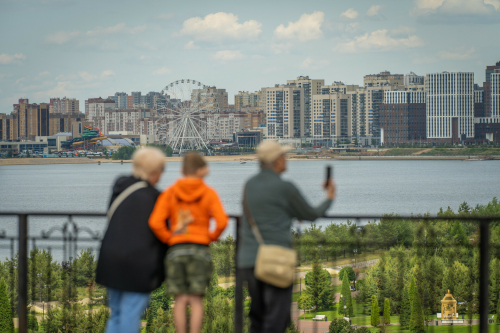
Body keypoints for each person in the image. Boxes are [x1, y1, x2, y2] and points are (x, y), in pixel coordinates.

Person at [237, 141, 336, 333]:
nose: (286, 159)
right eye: (283, 156)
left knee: (257, 318)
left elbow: (264, 212)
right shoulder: (285, 187)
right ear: (276, 161)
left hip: (248, 260)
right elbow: (311, 213)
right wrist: (329, 197)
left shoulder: (249, 185)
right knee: (277, 318)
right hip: (276, 260)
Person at [149, 152, 228, 333]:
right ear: (202, 170)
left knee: (181, 299)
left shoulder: (170, 192)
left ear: (182, 170)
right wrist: (210, 237)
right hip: (200, 248)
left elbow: (155, 222)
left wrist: (169, 238)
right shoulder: (209, 193)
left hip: (177, 248)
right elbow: (222, 222)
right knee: (196, 300)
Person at [95, 147, 168, 333]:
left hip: (111, 259)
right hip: (138, 264)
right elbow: (163, 230)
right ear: (154, 171)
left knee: (117, 313)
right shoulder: (156, 197)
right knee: (130, 314)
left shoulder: (119, 186)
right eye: (161, 169)